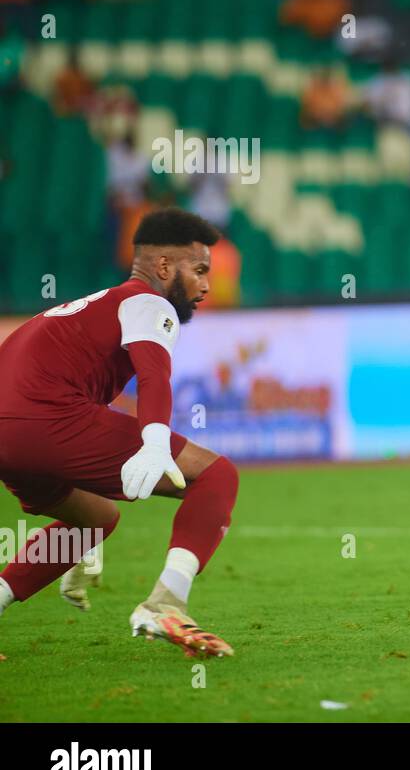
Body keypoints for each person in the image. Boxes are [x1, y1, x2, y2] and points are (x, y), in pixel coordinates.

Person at [0, 208, 238, 659]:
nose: (207, 285)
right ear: (164, 266)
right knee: (217, 475)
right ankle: (165, 603)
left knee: (94, 519)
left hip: (9, 435)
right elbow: (153, 375)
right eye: (200, 269)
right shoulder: (149, 303)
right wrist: (153, 441)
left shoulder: (86, 307)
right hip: (47, 418)